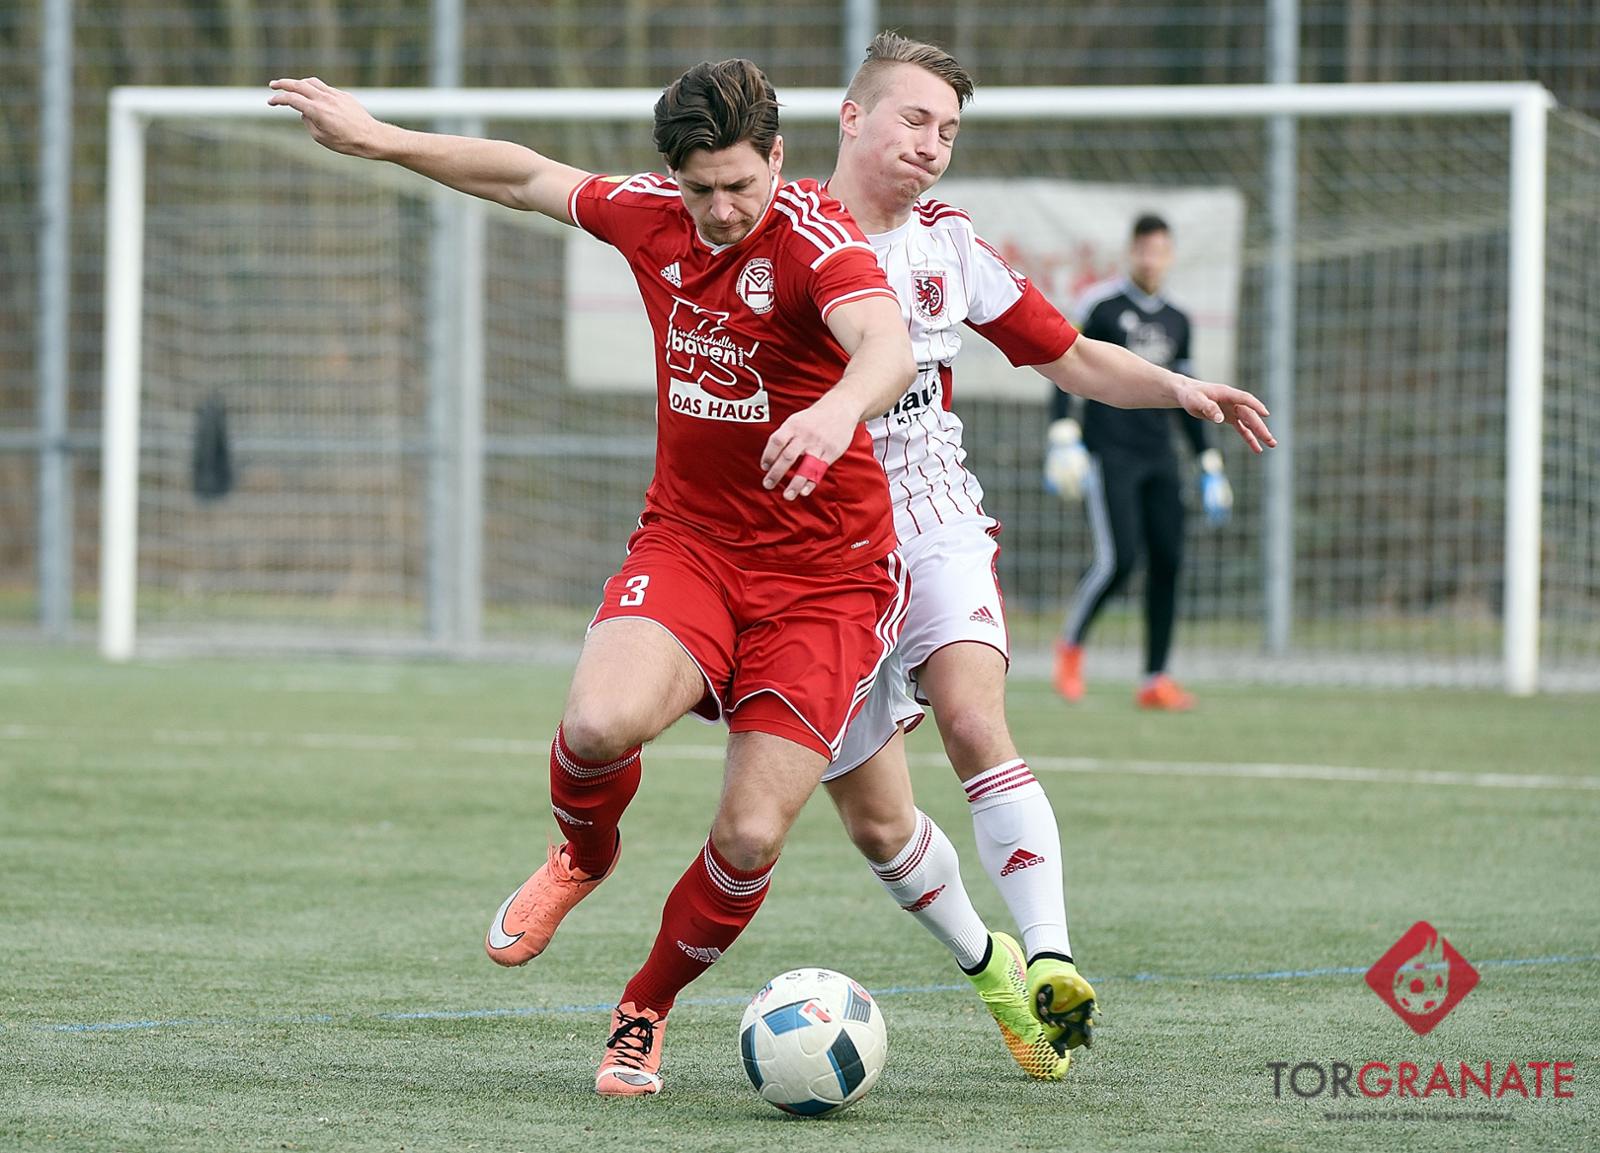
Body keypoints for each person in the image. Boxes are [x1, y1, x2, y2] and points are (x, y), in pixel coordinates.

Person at [269, 62, 919, 1098]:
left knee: (750, 832)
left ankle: (643, 1006)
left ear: (778, 159)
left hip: (825, 581)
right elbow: (524, 176)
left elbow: (885, 342)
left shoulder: (815, 242)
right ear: (675, 176)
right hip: (693, 544)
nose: (720, 210)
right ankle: (581, 854)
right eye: (701, 188)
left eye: (740, 185)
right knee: (597, 724)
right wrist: (379, 136)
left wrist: (838, 408)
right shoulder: (653, 216)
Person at [812, 32, 1276, 1077]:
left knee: (974, 718)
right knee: (879, 824)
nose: (932, 145)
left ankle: (1054, 961)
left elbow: (1068, 355)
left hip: (931, 516)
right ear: (851, 115)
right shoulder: (781, 233)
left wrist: (1179, 388)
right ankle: (993, 968)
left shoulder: (949, 246)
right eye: (914, 119)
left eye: (948, 131)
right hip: (814, 551)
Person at [1048, 214, 1235, 710]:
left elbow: (1189, 394)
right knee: (1119, 559)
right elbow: (1064, 361)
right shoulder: (1102, 307)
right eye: (1144, 250)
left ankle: (1155, 678)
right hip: (1110, 453)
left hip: (1160, 455)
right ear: (1131, 253)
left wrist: (1208, 462)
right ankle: (1070, 647)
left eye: (1160, 251)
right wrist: (1062, 432)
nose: (1151, 260)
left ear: (1170, 256)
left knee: (1169, 559)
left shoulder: (1178, 320)